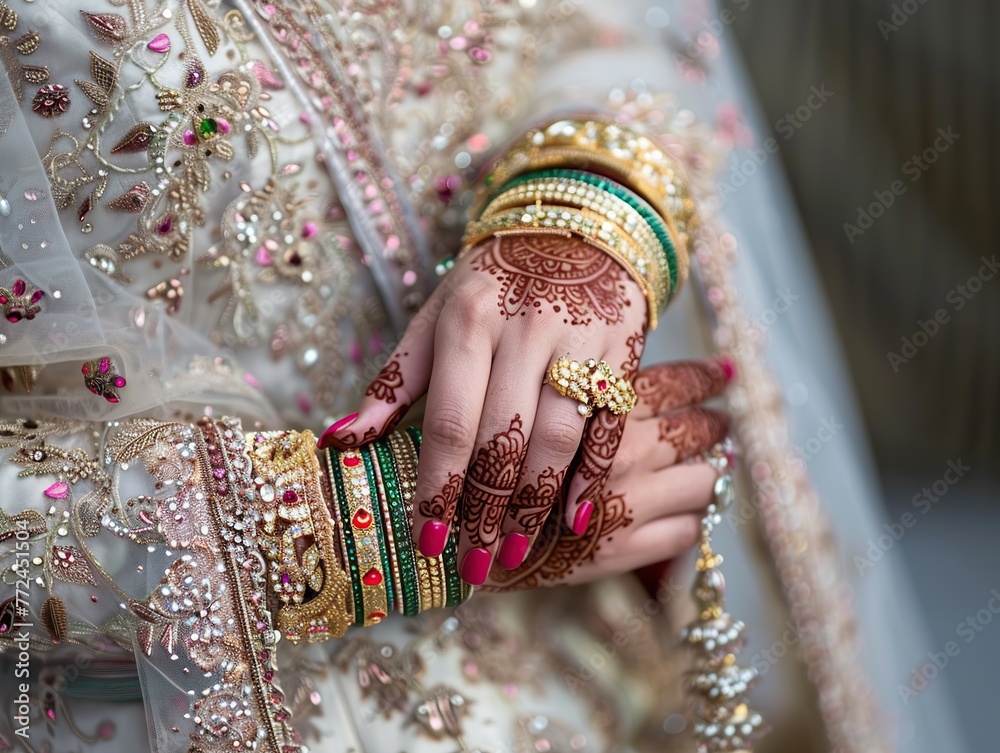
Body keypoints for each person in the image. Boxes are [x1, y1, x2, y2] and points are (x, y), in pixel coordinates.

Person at [0, 1, 959, 752]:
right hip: (206, 700)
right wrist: (347, 526)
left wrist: (588, 200)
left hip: (586, 662)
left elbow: (618, 31)